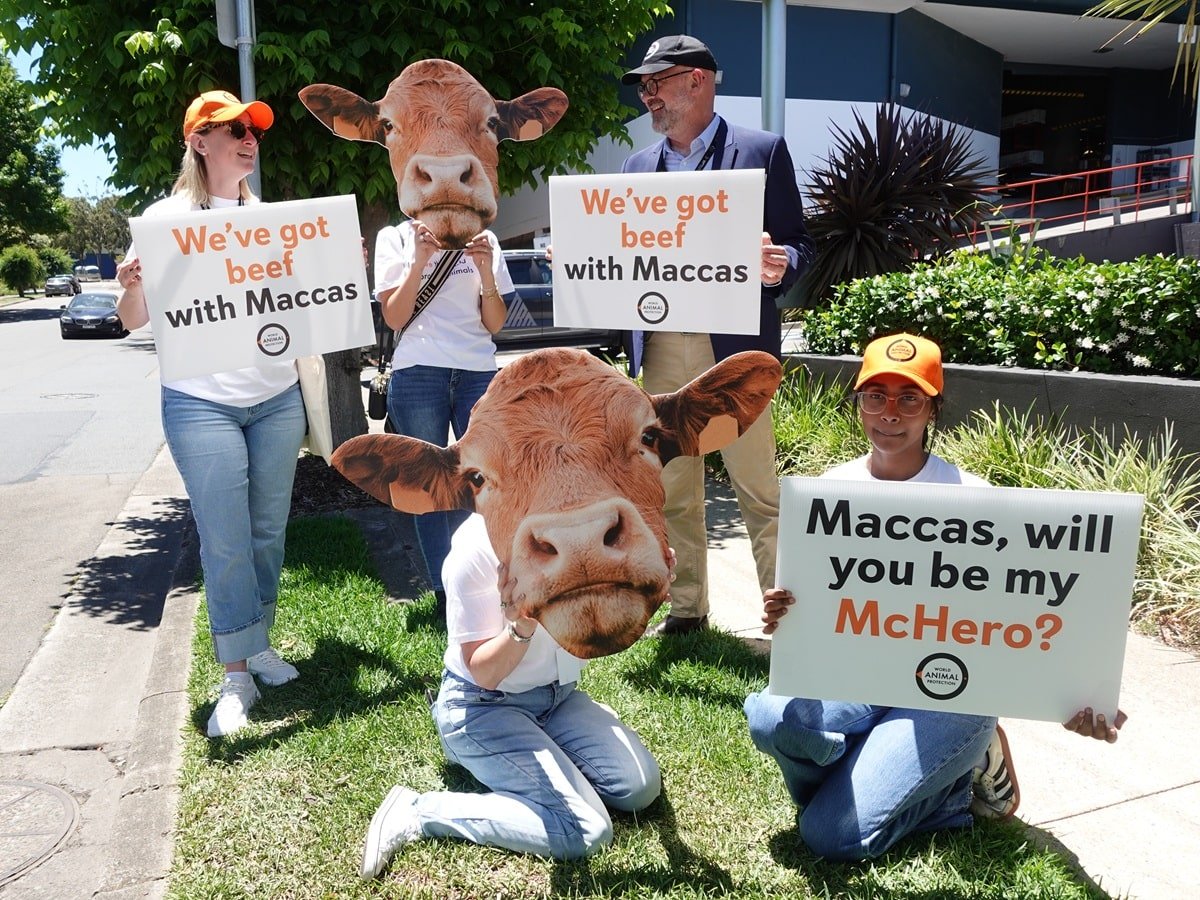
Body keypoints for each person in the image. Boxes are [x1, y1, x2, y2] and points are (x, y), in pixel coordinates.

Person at [743, 332, 1128, 860]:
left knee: (828, 837)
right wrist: (785, 612)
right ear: (858, 402)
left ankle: (954, 787)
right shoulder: (828, 493)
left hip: (948, 688)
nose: (890, 413)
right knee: (772, 718)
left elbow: (1029, 607)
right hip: (859, 676)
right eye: (875, 395)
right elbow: (816, 606)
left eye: (910, 398)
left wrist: (1076, 689)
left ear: (933, 409)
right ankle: (893, 776)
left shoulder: (975, 499)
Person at [116, 91, 305, 738]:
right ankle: (236, 677)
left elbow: (300, 307)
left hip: (277, 397)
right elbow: (133, 321)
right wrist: (132, 285)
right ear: (199, 141)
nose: (250, 139)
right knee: (225, 541)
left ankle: (260, 645)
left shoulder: (275, 220)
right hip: (201, 405)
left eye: (254, 130)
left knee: (267, 533)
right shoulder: (162, 220)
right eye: (233, 130)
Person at [620, 34, 816, 635]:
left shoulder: (762, 151)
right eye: (645, 86)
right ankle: (687, 610)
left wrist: (781, 258)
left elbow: (799, 243)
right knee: (674, 484)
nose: (648, 95)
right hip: (661, 344)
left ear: (698, 81)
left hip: (732, 348)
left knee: (757, 487)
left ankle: (786, 619)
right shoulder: (635, 168)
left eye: (658, 82)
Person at [359, 514, 662, 878]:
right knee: (585, 830)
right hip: (482, 708)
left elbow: (597, 633)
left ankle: (554, 746)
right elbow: (483, 672)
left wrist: (647, 596)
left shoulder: (584, 532)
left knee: (638, 789)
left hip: (558, 698)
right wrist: (522, 625)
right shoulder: (476, 547)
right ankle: (419, 810)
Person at [373, 220, 514, 617]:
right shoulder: (396, 237)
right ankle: (445, 593)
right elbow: (394, 317)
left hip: (477, 371)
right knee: (432, 490)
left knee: (483, 484)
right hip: (418, 372)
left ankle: (485, 584)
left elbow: (496, 323)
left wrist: (486, 271)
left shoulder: (486, 237)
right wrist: (419, 262)